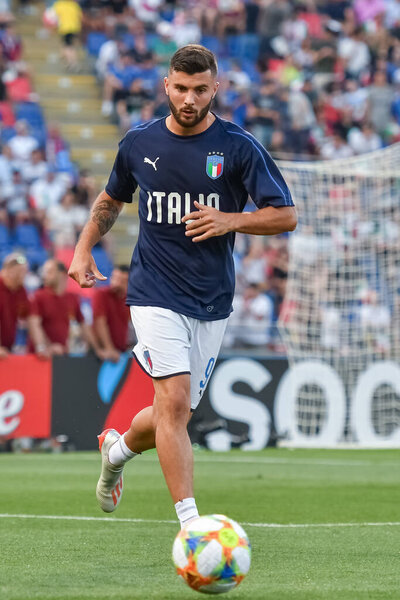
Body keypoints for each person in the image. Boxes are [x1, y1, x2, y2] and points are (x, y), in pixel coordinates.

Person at [68, 44, 297, 529]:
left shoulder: (238, 146)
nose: (189, 99)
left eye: (199, 90)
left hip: (211, 299)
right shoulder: (139, 143)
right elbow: (110, 201)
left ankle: (116, 449)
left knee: (172, 415)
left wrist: (229, 220)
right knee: (172, 402)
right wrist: (83, 246)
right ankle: (193, 528)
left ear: (216, 88)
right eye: (180, 88)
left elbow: (286, 215)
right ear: (165, 87)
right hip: (153, 291)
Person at [30, 258, 106, 358]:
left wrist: (97, 350)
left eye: (49, 272)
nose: (44, 276)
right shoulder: (38, 296)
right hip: (40, 357)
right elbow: (34, 324)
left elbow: (83, 325)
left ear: (61, 274)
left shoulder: (72, 298)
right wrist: (44, 347)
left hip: (62, 354)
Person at [91, 264, 131, 362]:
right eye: (115, 278)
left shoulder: (129, 299)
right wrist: (109, 348)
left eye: (122, 281)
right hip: (103, 352)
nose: (117, 283)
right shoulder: (102, 294)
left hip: (121, 351)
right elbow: (100, 323)